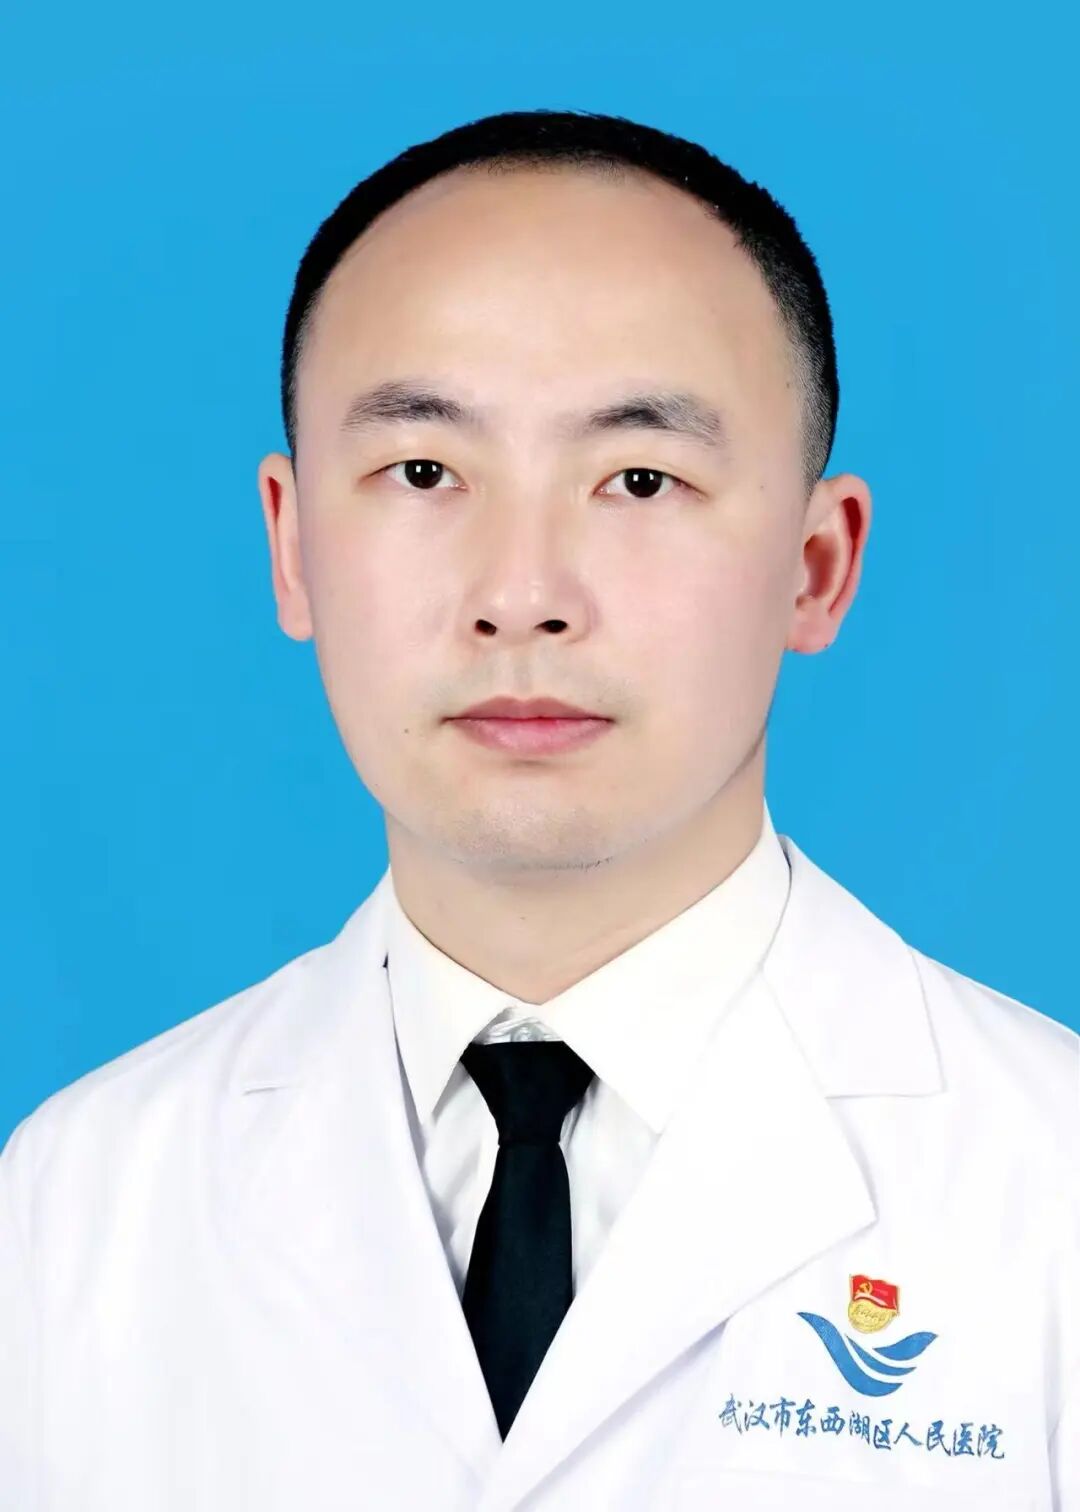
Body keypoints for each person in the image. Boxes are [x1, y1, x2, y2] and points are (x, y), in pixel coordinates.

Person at [1, 107, 1075, 1511]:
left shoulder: (1050, 1185)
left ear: (817, 566)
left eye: (640, 479)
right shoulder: (73, 1203)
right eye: (424, 473)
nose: (522, 595)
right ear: (292, 543)